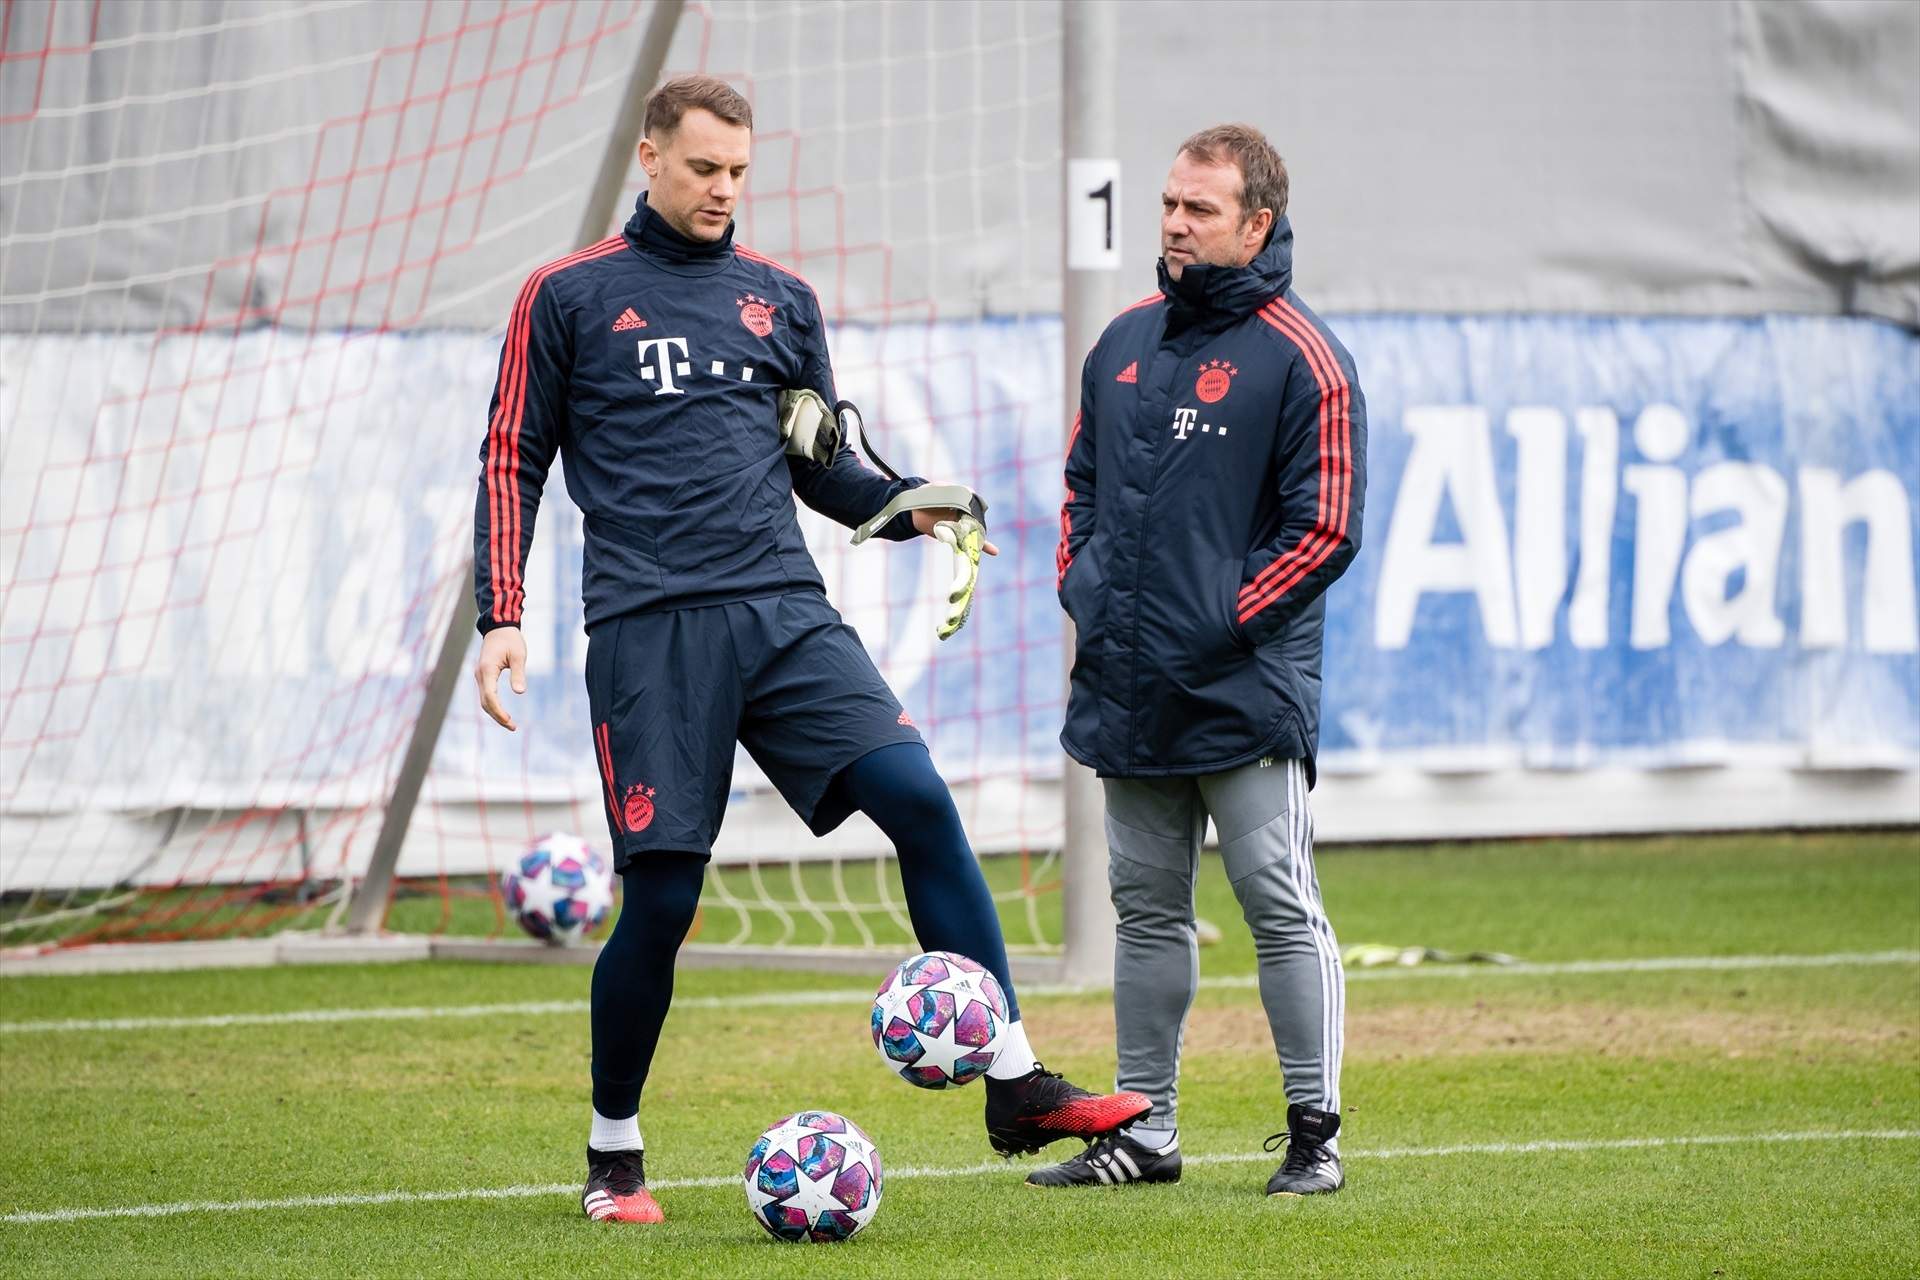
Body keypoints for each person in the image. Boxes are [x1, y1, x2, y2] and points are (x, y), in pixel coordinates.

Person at [469, 75, 1149, 1225]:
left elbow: (823, 469)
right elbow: (510, 454)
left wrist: (912, 503)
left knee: (921, 798)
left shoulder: (779, 300)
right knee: (665, 897)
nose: (723, 190)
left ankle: (1017, 1081)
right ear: (650, 158)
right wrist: (502, 610)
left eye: (738, 171)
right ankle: (614, 1150)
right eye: (701, 169)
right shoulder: (567, 294)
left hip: (785, 609)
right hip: (650, 631)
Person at [1033, 124, 1367, 1196]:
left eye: (1200, 209)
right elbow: (1080, 487)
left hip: (1241, 687)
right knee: (1146, 906)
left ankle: (1315, 1135)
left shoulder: (1303, 355)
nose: (1174, 223)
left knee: (1276, 897)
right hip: (1128, 684)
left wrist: (1219, 623)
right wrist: (1082, 587)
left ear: (1256, 223)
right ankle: (1145, 1129)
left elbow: (1326, 529)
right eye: (1170, 204)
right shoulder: (1123, 342)